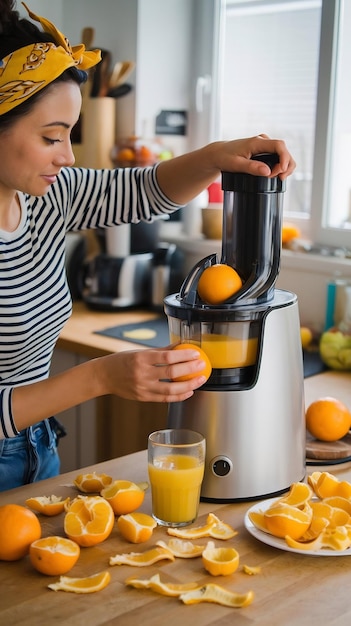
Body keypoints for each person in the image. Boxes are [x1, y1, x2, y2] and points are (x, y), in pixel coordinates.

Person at [0, 0, 296, 491]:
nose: (67, 157)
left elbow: (142, 191)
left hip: (39, 451)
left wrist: (217, 156)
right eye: (52, 137)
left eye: (71, 134)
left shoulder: (48, 197)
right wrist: (100, 378)